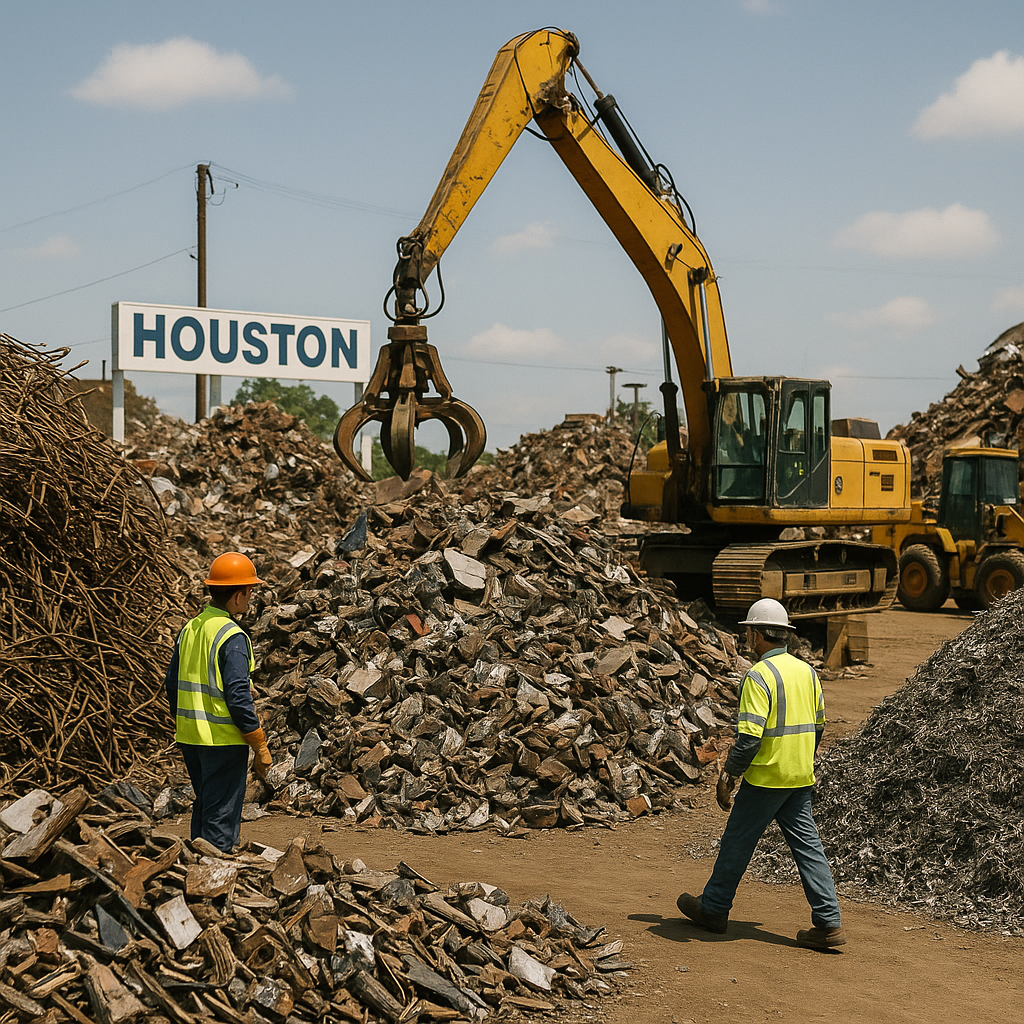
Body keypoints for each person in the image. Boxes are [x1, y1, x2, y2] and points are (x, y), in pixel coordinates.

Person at [676, 598, 846, 950]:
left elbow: (750, 737)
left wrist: (729, 775)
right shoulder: (807, 672)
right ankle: (829, 922)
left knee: (737, 842)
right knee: (809, 848)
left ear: (755, 635)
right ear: (784, 634)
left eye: (748, 632)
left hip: (766, 778)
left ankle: (715, 907)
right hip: (798, 777)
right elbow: (819, 725)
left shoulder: (758, 676)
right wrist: (801, 760)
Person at [164, 552, 273, 852]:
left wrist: (187, 721)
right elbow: (238, 697)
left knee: (205, 805)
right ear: (238, 596)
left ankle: (196, 871)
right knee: (221, 816)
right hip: (222, 741)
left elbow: (171, 684)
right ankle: (213, 879)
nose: (249, 600)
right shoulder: (232, 636)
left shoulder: (190, 628)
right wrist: (259, 743)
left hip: (190, 737)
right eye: (249, 593)